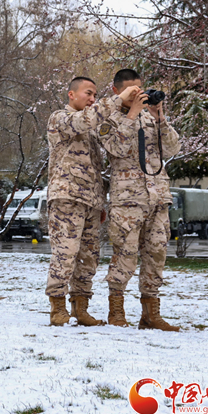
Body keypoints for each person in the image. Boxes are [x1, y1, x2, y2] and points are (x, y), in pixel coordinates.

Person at [45, 77, 139, 326]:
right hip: (66, 197)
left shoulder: (95, 125)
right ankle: (57, 307)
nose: (92, 98)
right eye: (88, 93)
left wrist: (132, 112)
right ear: (71, 95)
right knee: (65, 254)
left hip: (91, 201)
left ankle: (80, 307)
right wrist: (118, 99)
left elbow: (117, 147)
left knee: (89, 257)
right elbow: (84, 119)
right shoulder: (60, 118)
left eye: (95, 95)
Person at [99, 68, 181, 331]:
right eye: (131, 90)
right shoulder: (107, 118)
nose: (138, 95)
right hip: (128, 202)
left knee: (156, 254)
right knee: (125, 255)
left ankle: (150, 315)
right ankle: (117, 312)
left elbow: (171, 149)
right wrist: (131, 114)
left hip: (157, 197)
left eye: (140, 89)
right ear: (116, 90)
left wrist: (159, 117)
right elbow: (116, 148)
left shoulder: (150, 118)